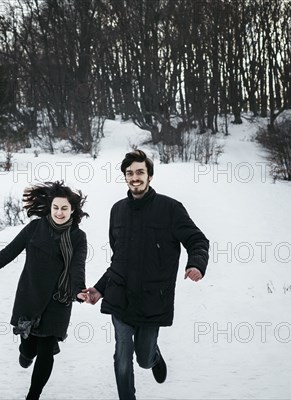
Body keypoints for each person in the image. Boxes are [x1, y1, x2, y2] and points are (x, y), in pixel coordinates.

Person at [81, 150, 209, 400]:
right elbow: (119, 259)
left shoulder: (170, 209)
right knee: (122, 355)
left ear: (150, 175)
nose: (135, 177)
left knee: (142, 357)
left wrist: (196, 264)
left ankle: (153, 356)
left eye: (140, 172)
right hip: (120, 297)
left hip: (153, 299)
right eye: (129, 173)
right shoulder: (117, 210)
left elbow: (197, 240)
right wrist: (100, 289)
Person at [0, 181, 89, 400]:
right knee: (29, 349)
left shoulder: (78, 237)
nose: (60, 212)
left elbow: (77, 268)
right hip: (30, 296)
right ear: (50, 207)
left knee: (47, 349)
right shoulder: (35, 228)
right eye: (56, 207)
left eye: (65, 208)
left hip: (59, 300)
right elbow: (6, 254)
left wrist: (79, 291)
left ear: (72, 210)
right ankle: (26, 353)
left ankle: (33, 395)